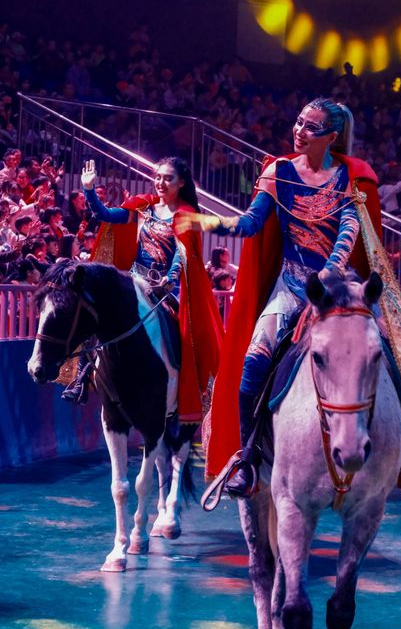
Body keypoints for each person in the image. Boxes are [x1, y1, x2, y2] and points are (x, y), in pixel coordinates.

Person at [176, 99, 375, 496]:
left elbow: (347, 234)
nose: (299, 130)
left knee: (378, 352)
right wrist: (207, 221)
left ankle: (386, 447)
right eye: (298, 122)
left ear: (332, 138)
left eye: (310, 127)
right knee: (254, 359)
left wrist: (329, 274)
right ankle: (246, 460)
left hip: (331, 290)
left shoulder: (349, 178)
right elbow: (251, 224)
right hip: (289, 287)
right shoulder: (277, 172)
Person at [73, 156, 223, 420]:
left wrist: (172, 276)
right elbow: (105, 215)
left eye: (168, 178)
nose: (160, 182)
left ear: (182, 183)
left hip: (166, 286)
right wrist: (88, 189)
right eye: (157, 177)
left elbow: (183, 250)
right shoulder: (143, 209)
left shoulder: (187, 215)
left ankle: (180, 386)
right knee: (99, 312)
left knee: (184, 331)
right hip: (133, 280)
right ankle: (82, 376)